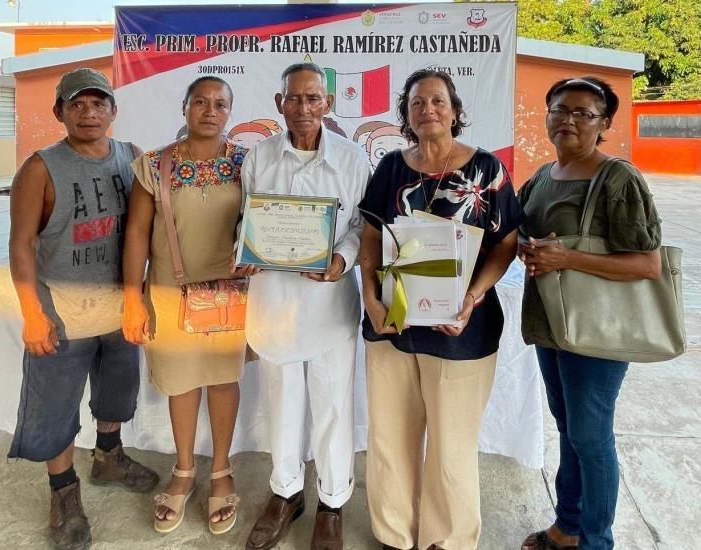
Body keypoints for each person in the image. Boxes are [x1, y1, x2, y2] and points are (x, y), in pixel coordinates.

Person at [358, 69, 525, 550]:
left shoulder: (487, 169)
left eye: (437, 100)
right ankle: (394, 535)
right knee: (390, 440)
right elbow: (371, 235)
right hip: (392, 325)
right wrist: (369, 298)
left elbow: (506, 244)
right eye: (416, 102)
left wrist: (471, 298)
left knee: (451, 448)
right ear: (406, 114)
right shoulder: (391, 166)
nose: (427, 108)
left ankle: (446, 540)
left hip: (462, 330)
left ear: (454, 110)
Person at [7, 67, 159, 550]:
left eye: (98, 104)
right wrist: (32, 311)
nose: (89, 113)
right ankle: (64, 491)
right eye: (77, 104)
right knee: (54, 409)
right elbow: (21, 243)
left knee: (117, 393)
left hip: (119, 309)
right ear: (59, 113)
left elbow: (147, 229)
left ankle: (108, 456)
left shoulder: (132, 158)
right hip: (63, 313)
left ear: (113, 111)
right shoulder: (40, 168)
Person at [518, 77, 661, 550]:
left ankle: (596, 541)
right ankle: (567, 527)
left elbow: (648, 264)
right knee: (570, 432)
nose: (569, 120)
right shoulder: (541, 177)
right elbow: (519, 233)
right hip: (552, 325)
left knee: (592, 437)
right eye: (560, 109)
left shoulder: (618, 179)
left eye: (583, 113)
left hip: (596, 331)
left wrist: (569, 259)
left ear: (605, 124)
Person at [238, 62, 371, 550]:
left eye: (313, 99)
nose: (303, 108)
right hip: (273, 304)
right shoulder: (259, 157)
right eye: (294, 99)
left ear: (328, 105)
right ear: (279, 104)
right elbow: (246, 219)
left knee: (335, 407)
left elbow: (361, 227)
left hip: (329, 304)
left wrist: (342, 258)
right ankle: (285, 493)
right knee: (283, 405)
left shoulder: (355, 160)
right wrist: (245, 251)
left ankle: (332, 502)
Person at [122, 76, 248, 535]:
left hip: (228, 296)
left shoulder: (245, 164)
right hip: (167, 292)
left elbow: (262, 223)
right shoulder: (152, 165)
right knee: (180, 384)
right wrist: (132, 297)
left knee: (221, 380)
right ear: (185, 108)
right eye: (200, 102)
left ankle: (220, 470)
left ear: (230, 112)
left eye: (220, 104)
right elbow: (136, 232)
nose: (209, 111)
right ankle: (183, 469)